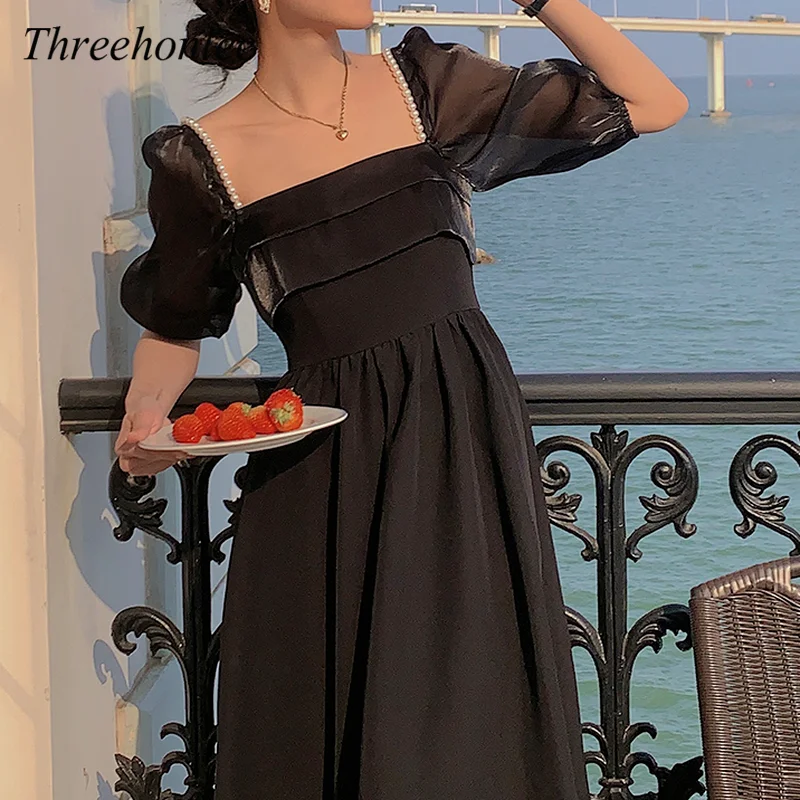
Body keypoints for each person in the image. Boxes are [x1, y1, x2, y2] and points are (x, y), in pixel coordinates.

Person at [115, 0, 687, 797]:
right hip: (322, 473)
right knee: (321, 728)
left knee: (474, 718)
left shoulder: (427, 85)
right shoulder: (201, 160)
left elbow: (653, 102)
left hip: (464, 447)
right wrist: (146, 416)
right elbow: (176, 325)